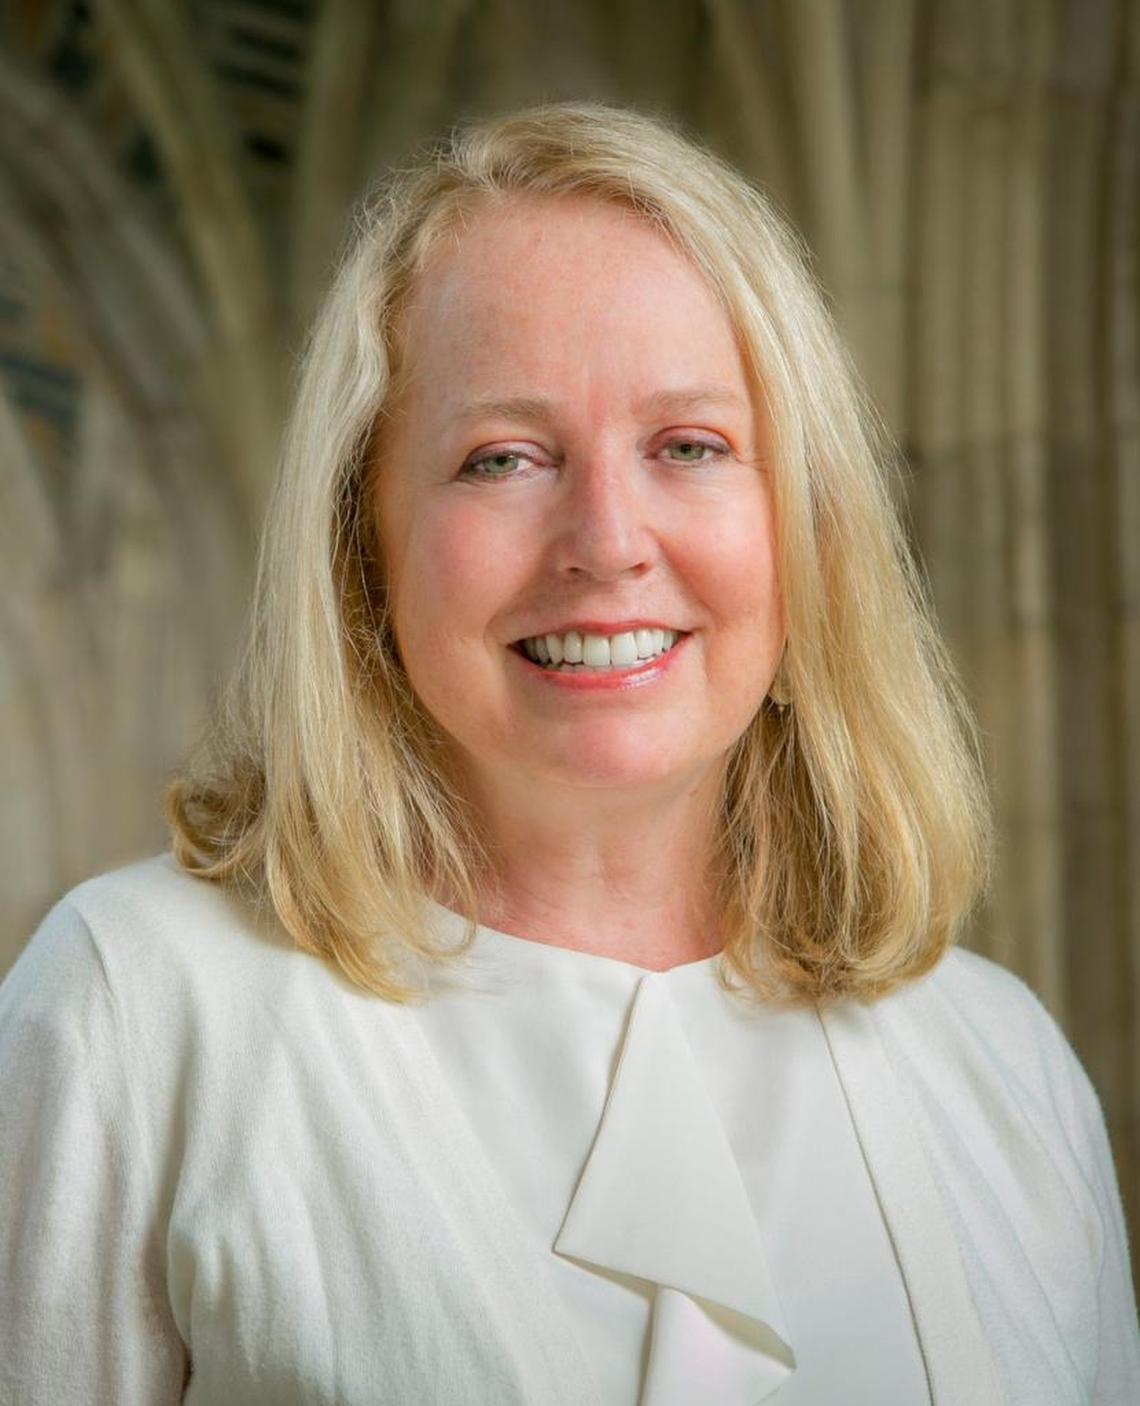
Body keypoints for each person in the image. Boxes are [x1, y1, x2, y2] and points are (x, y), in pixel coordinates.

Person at [0, 102, 1136, 1406]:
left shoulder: (1004, 1065)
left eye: (690, 446)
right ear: (361, 543)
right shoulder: (136, 1014)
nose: (605, 539)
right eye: (503, 458)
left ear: (803, 524)